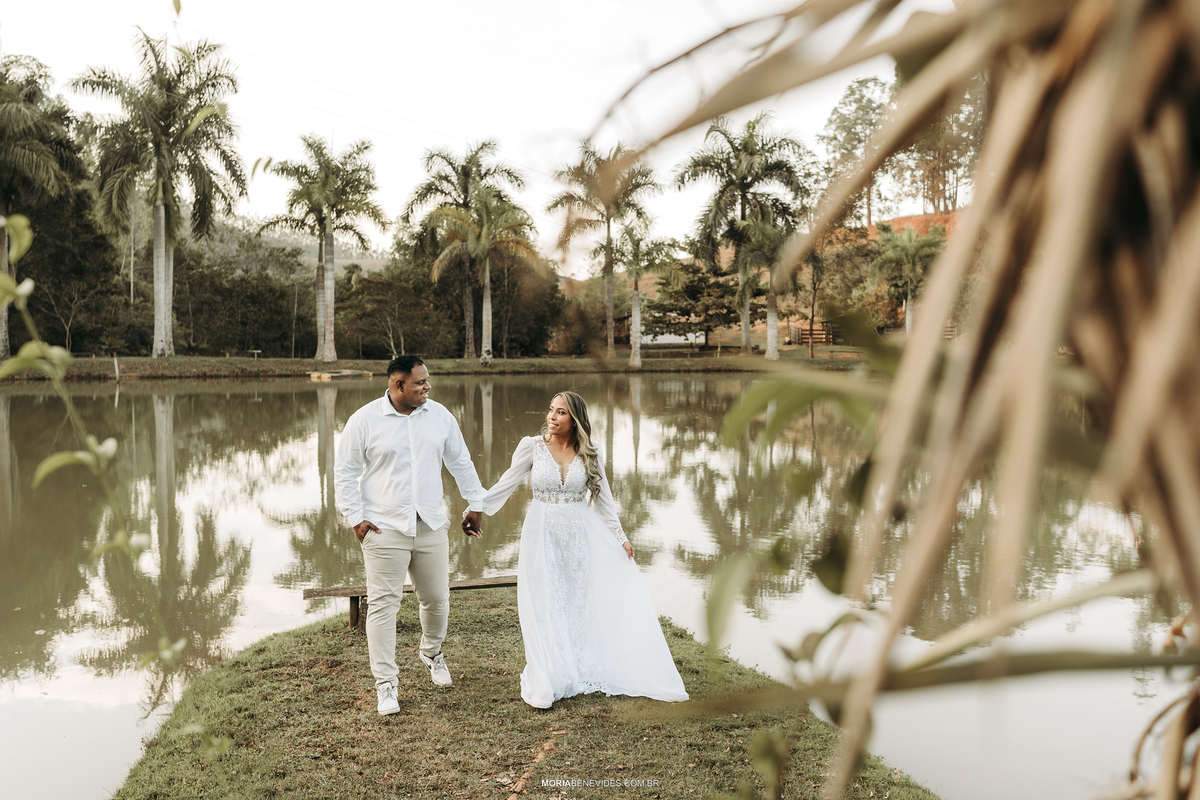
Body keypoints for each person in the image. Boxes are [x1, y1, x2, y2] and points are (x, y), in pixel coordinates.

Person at [478, 391, 688, 709]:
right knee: (545, 601)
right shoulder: (532, 446)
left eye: (560, 412)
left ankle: (579, 666)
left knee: (577, 601)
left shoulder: (590, 452)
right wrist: (476, 509)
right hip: (540, 535)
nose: (552, 416)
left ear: (575, 418)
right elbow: (505, 484)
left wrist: (621, 538)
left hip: (579, 536)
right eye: (551, 410)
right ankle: (548, 674)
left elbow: (603, 500)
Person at [335, 356, 485, 716]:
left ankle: (431, 653)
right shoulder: (364, 420)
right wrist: (355, 519)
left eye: (427, 380)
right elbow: (345, 472)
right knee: (383, 606)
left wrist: (475, 503)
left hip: (430, 524)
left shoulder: (440, 416)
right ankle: (386, 684)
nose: (427, 387)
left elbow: (460, 462)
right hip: (383, 528)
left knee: (437, 599)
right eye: (420, 382)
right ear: (398, 384)